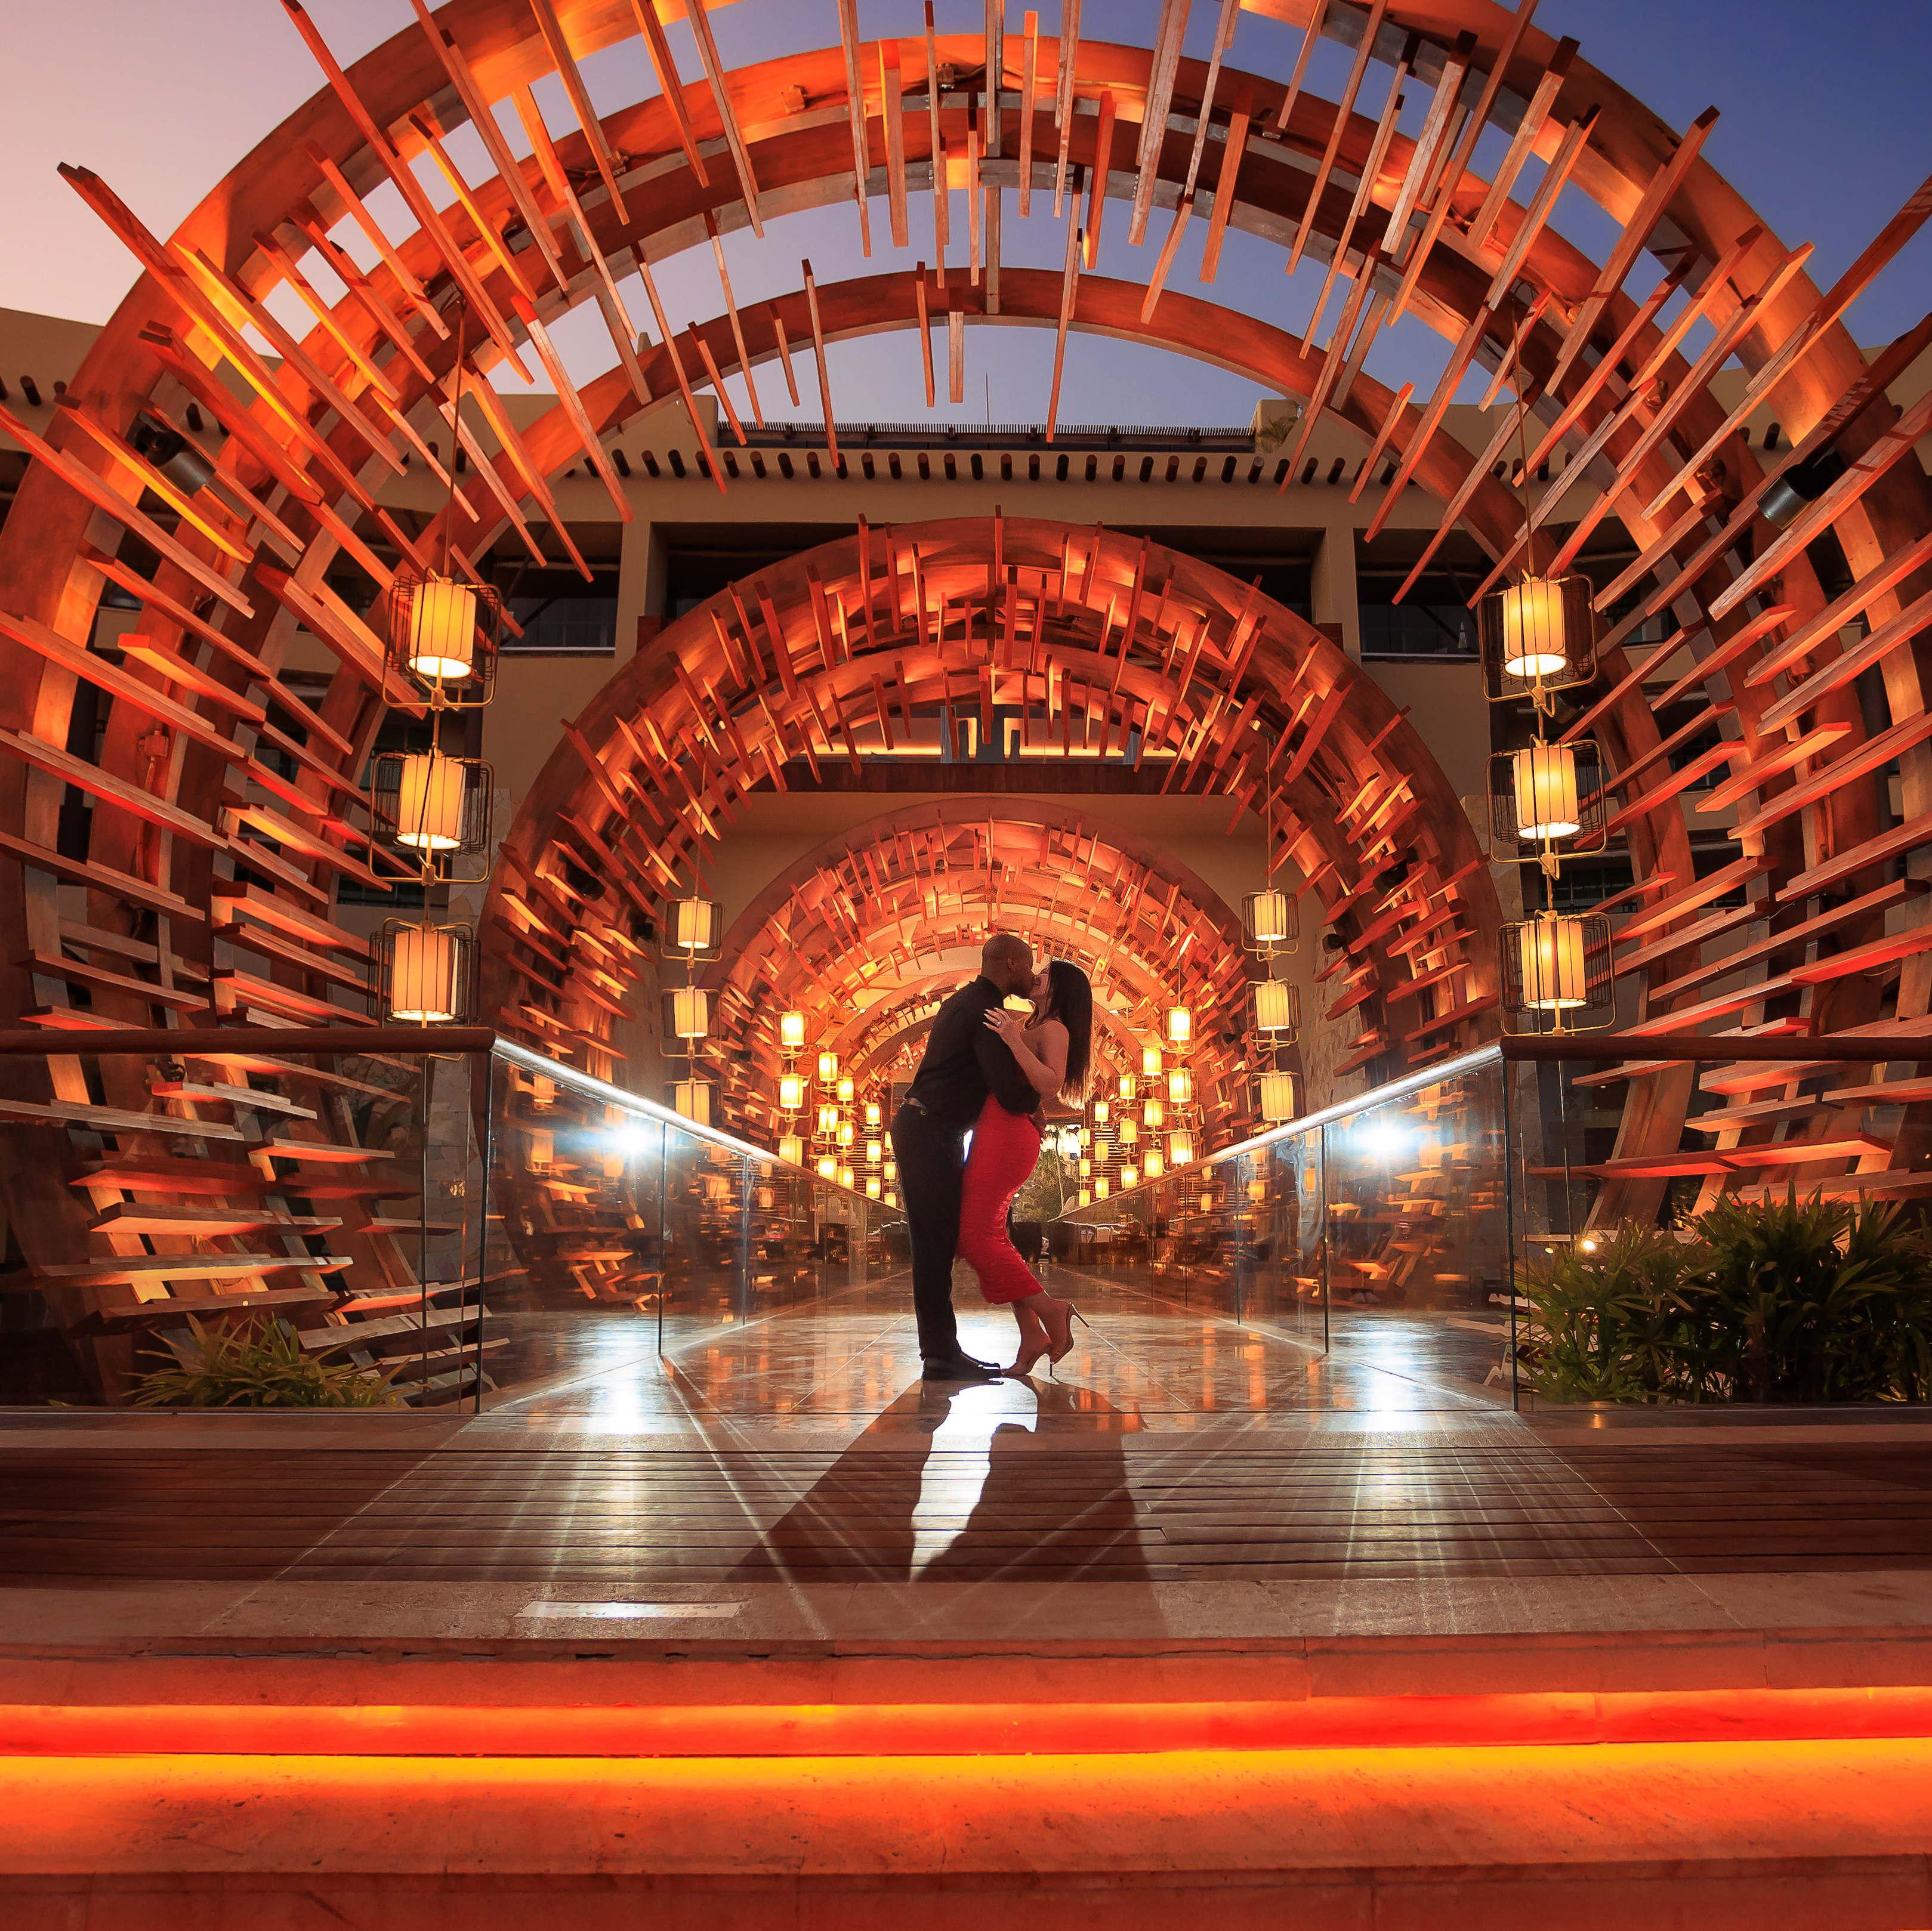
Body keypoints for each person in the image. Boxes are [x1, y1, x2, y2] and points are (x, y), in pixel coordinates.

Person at [890, 932, 1039, 1383]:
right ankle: (940, 1355)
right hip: (928, 1129)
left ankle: (942, 1351)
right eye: (1028, 965)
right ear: (1011, 963)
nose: (1032, 974)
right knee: (933, 1245)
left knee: (939, 1242)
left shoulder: (966, 1002)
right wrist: (1040, 1097)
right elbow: (1009, 1092)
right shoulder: (986, 1012)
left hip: (930, 1128)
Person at [960, 959, 1093, 1377]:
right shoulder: (1031, 1023)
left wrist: (1013, 1040)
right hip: (996, 1129)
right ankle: (1032, 1333)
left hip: (1008, 1136)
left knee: (972, 1235)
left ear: (1060, 989)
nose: (1036, 975)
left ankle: (1052, 1311)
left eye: (1047, 974)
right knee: (992, 1236)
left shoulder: (1054, 1029)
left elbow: (1051, 1083)